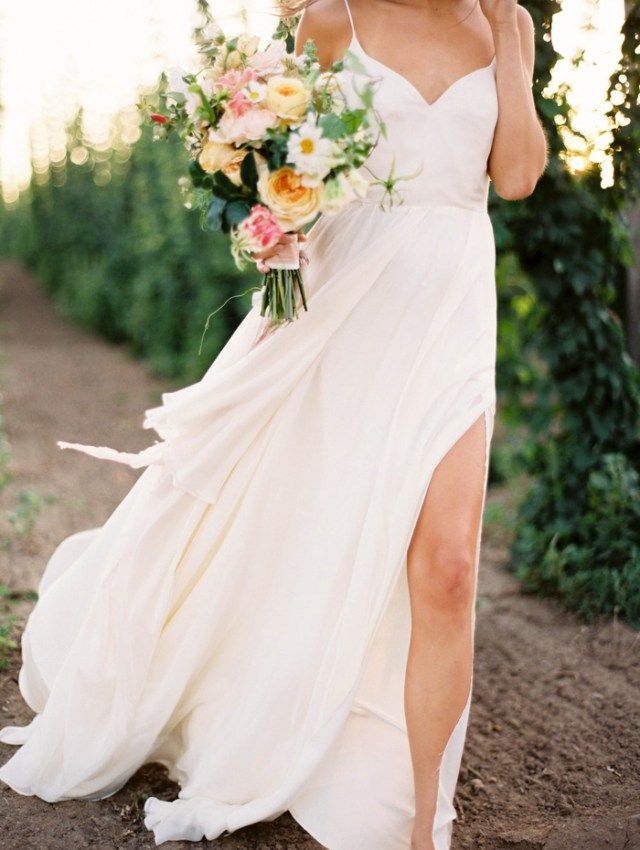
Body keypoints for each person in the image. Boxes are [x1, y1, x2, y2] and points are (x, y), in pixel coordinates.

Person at [0, 1, 547, 849]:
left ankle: (424, 824)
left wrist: (511, 38)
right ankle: (227, 701)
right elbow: (284, 169)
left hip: (448, 316)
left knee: (446, 567)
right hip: (342, 304)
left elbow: (514, 176)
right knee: (287, 524)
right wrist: (271, 223)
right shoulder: (335, 19)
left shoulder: (506, 22)